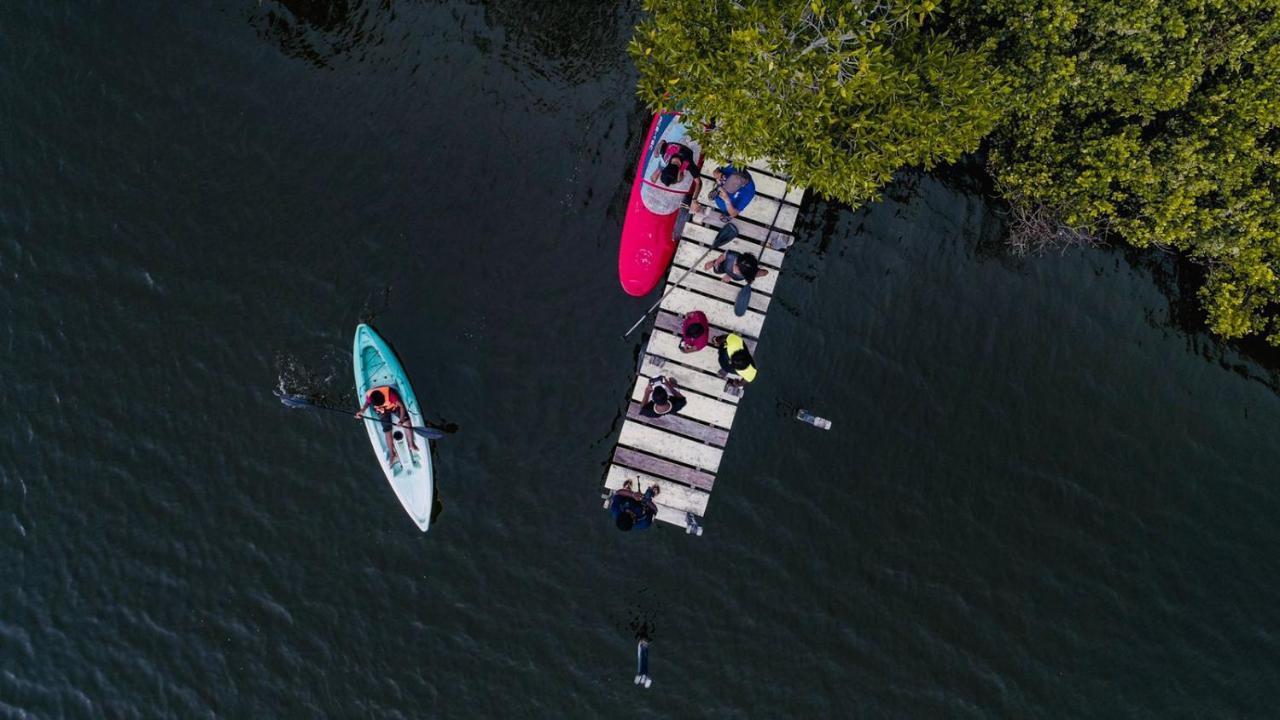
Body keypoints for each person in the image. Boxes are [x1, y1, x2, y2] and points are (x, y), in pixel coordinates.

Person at [355, 385, 419, 464]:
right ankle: (392, 454)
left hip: (393, 407)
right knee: (387, 430)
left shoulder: (391, 395)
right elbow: (366, 404)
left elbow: (401, 406)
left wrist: (401, 420)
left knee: (406, 421)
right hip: (382, 411)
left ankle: (411, 444)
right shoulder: (370, 396)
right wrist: (362, 411)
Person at [640, 140, 702, 216]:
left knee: (656, 156)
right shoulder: (664, 156)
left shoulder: (688, 163)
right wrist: (656, 150)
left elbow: (699, 183)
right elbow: (662, 141)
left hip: (686, 150)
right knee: (656, 155)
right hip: (675, 148)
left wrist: (694, 200)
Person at [703, 250, 768, 284]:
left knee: (733, 276)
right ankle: (713, 262)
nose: (735, 266)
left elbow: (763, 273)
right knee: (716, 271)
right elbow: (724, 256)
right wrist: (717, 262)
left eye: (739, 269)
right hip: (725, 264)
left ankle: (729, 275)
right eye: (737, 262)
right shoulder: (733, 256)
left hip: (732, 274)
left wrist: (729, 275)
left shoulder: (750, 273)